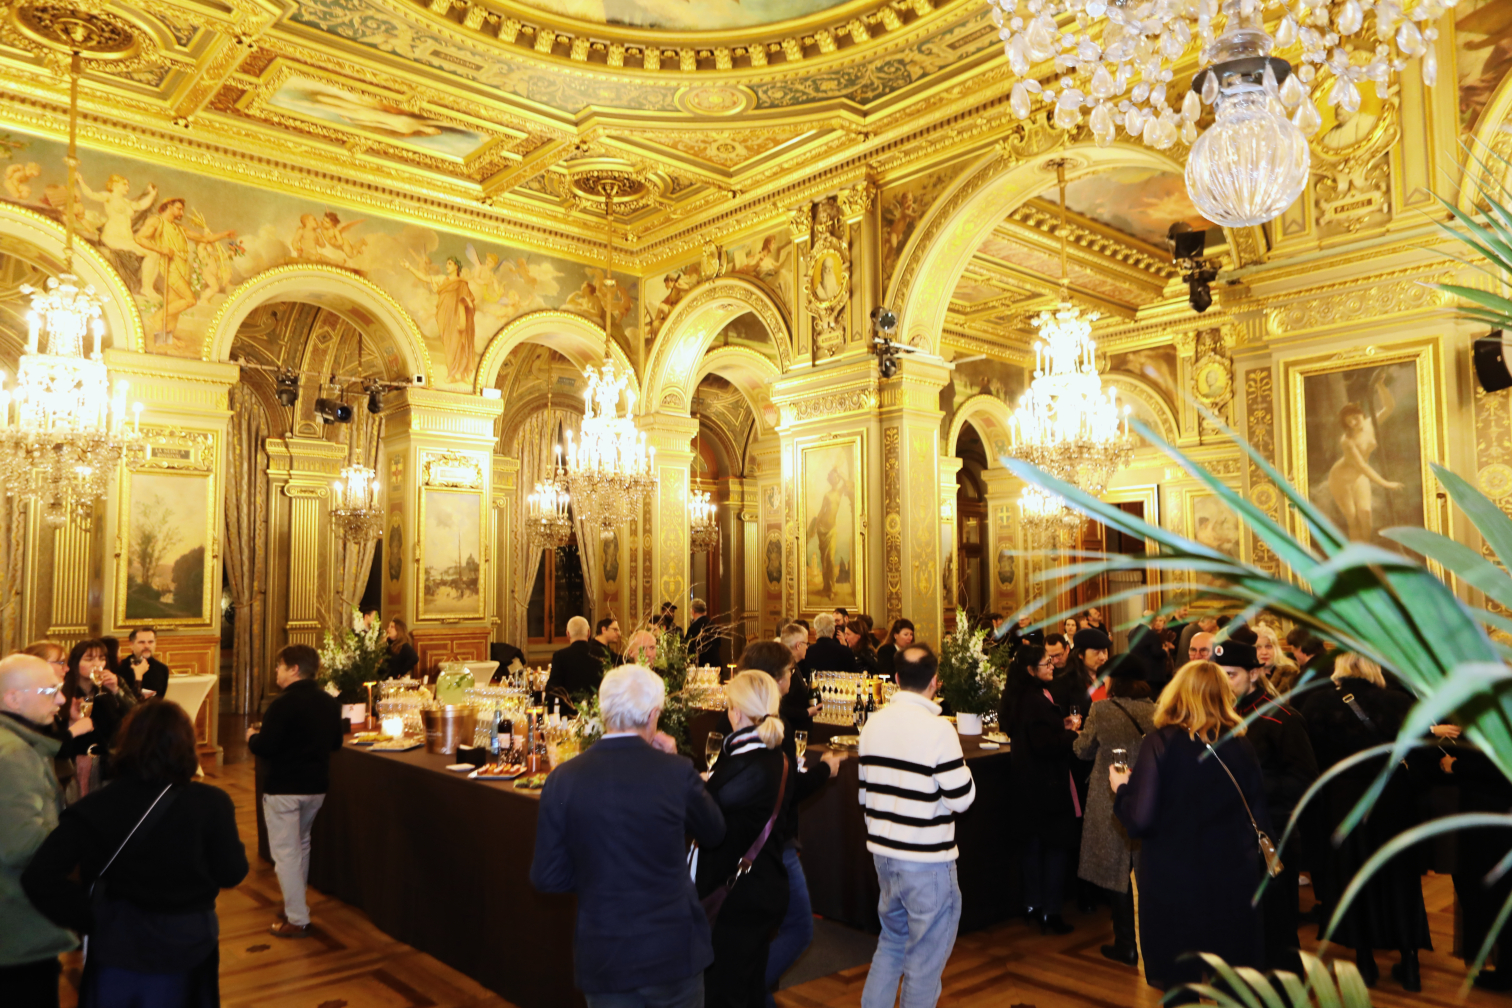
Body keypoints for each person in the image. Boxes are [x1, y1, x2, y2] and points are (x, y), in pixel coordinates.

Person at [22, 700, 247, 1006]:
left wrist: (88, 916)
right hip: (189, 939)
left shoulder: (94, 807)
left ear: (126, 745)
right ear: (187, 746)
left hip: (118, 941)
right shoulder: (212, 802)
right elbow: (232, 872)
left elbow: (39, 877)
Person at [531, 665, 726, 1008]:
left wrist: (600, 878)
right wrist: (675, 758)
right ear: (653, 715)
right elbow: (714, 832)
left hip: (606, 952)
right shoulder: (676, 771)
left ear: (604, 710)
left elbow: (547, 876)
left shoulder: (563, 778)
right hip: (673, 950)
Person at [1111, 660, 1269, 994]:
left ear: (1177, 694)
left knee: (1179, 981)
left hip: (1175, 881)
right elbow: (1258, 812)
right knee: (1232, 980)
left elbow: (1139, 818)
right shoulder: (1242, 744)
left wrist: (1121, 788)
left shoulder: (1161, 743)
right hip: (1233, 877)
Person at [1297, 653, 1430, 990]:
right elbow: (1423, 756)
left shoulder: (1318, 703)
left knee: (1353, 877)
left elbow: (1311, 761)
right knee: (1401, 878)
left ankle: (1366, 963)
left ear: (1339, 669)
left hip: (1344, 802)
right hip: (1393, 798)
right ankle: (1410, 963)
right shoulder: (1401, 701)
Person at [858, 644, 976, 1008]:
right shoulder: (938, 729)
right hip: (926, 860)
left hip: (884, 856)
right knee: (925, 962)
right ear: (935, 682)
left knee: (891, 943)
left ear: (895, 679)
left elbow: (865, 796)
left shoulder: (872, 723)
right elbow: (962, 798)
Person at [735, 642, 845, 1008]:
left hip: (747, 845)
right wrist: (825, 770)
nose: (792, 679)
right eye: (790, 673)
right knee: (799, 927)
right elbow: (786, 792)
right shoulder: (772, 729)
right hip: (773, 843)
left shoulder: (739, 718)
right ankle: (741, 987)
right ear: (778, 678)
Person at [1215, 638, 1318, 973]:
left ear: (1255, 674)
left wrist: (1249, 790)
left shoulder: (1281, 718)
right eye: (1217, 674)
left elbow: (1304, 780)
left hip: (1272, 836)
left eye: (1230, 674)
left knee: (1276, 927)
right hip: (1228, 838)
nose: (1223, 683)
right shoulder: (1216, 718)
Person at [699, 671, 790, 1008]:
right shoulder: (770, 755)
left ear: (736, 711)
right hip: (757, 886)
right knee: (747, 986)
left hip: (740, 893)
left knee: (726, 991)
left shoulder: (748, 762)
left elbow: (705, 810)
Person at [246, 644, 344, 938]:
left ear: (294, 669)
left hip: (284, 790)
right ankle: (295, 903)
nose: (276, 670)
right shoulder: (329, 702)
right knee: (301, 845)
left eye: (279, 665)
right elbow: (336, 743)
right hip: (316, 788)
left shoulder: (282, 704)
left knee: (287, 854)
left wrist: (252, 737)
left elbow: (267, 747)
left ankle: (298, 918)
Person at [0, 654, 76, 1007]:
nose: (60, 700)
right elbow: (21, 845)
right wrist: (82, 839)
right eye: (50, 690)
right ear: (12, 698)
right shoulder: (14, 754)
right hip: (17, 926)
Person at [1073, 666, 1156, 965]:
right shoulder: (1156, 711)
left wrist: (1076, 734)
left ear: (1114, 681)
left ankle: (1126, 945)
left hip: (1110, 796)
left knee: (1115, 872)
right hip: (1148, 795)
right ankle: (1155, 944)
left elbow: (1083, 750)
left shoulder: (1101, 709)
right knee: (1148, 873)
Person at [1003, 645, 1083, 935]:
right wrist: (1070, 735)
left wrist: (1059, 725)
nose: (1052, 666)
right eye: (1046, 663)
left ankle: (1033, 906)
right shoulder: (1035, 699)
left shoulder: (1023, 697)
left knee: (1033, 848)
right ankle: (1051, 912)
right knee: (1055, 849)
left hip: (1028, 786)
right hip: (1046, 785)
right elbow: (1044, 744)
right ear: (1030, 670)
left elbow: (1033, 732)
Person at [1442, 739, 1512, 990]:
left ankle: (1506, 972)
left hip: (1492, 813)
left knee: (1494, 891)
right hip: (1494, 811)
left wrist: (1457, 765)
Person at [62, 638, 136, 787]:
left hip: (110, 755)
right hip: (75, 755)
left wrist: (116, 690)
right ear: (76, 662)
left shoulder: (115, 682)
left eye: (101, 659)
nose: (97, 664)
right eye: (89, 659)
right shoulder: (65, 687)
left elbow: (136, 713)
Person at [547, 616, 605, 705]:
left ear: (567, 634)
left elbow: (553, 689)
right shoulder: (602, 653)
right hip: (597, 711)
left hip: (569, 711)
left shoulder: (560, 656)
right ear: (589, 633)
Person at [1053, 627, 1110, 712]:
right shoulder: (1065, 683)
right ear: (1080, 654)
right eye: (1096, 652)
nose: (1103, 657)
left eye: (1104, 651)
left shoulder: (1113, 679)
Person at [777, 623, 820, 732]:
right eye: (806, 643)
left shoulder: (793, 666)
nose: (807, 647)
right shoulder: (786, 670)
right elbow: (781, 707)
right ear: (798, 645)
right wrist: (807, 712)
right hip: (791, 732)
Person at [1253, 625, 1301, 697]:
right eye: (1258, 648)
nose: (1264, 652)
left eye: (1268, 647)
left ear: (1276, 649)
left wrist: (1264, 680)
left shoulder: (1290, 672)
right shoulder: (1245, 676)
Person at [124, 627, 168, 700]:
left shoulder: (162, 669)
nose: (147, 646)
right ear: (131, 645)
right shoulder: (121, 667)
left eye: (150, 642)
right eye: (141, 642)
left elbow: (160, 698)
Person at [686, 600, 719, 667]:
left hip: (699, 666)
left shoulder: (693, 627)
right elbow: (718, 644)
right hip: (714, 665)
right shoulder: (714, 625)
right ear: (705, 611)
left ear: (693, 611)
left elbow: (687, 647)